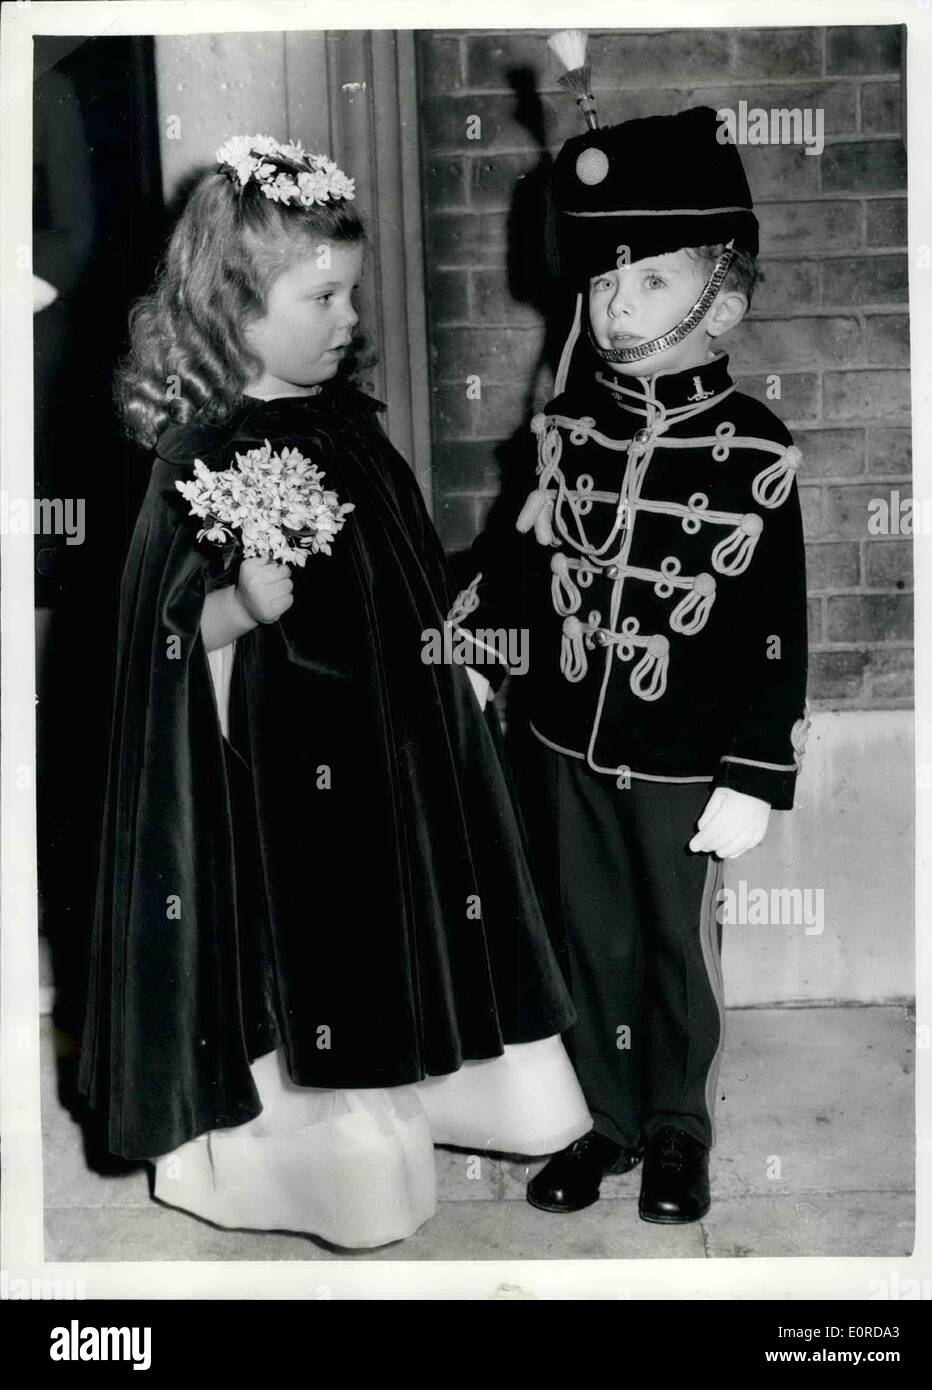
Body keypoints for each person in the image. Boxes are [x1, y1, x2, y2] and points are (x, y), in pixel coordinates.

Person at [76, 134, 591, 1251]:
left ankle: (430, 1090)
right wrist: (238, 610)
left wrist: (502, 555)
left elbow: (403, 584)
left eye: (349, 293)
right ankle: (303, 1154)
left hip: (386, 753)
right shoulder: (198, 454)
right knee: (317, 965)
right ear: (233, 307)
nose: (347, 317)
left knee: (402, 924)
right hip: (275, 786)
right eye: (321, 296)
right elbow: (153, 650)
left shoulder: (348, 432)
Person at [450, 105, 810, 1224]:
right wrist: (469, 644)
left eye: (648, 283)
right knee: (584, 935)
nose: (613, 307)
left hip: (681, 757)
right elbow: (522, 557)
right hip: (561, 734)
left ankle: (674, 1128)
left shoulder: (753, 449)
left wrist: (754, 770)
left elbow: (772, 629)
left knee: (671, 945)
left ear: (724, 300)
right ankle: (599, 1119)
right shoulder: (568, 429)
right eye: (604, 285)